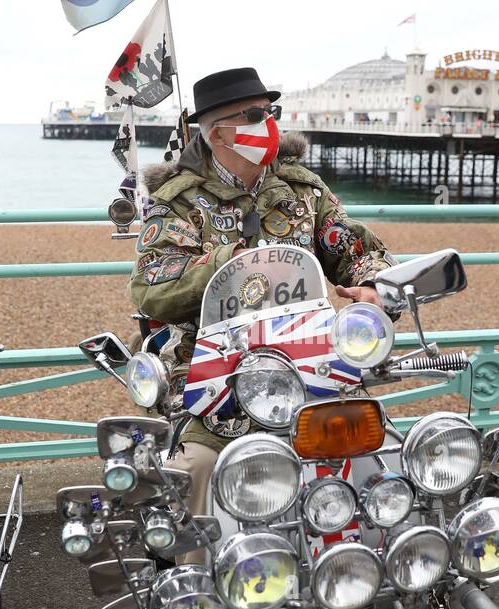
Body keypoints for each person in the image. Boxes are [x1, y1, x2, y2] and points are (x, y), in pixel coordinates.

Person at [127, 65, 397, 522]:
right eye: (252, 115)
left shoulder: (302, 191)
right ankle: (193, 585)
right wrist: (229, 262)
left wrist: (371, 284)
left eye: (269, 111)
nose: (266, 123)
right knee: (198, 471)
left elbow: (351, 247)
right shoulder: (177, 202)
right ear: (215, 134)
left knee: (379, 451)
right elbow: (152, 287)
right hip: (210, 370)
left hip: (310, 358)